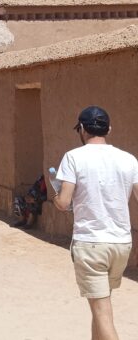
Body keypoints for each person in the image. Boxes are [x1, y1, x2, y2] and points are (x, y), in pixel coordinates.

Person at [54, 106, 138, 340]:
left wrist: (56, 197)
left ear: (81, 129)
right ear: (109, 129)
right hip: (121, 244)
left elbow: (64, 202)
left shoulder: (73, 157)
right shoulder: (128, 159)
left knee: (102, 314)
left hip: (91, 244)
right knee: (101, 307)